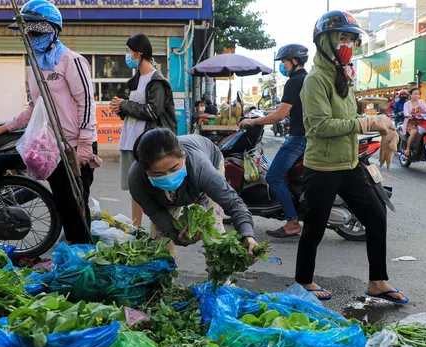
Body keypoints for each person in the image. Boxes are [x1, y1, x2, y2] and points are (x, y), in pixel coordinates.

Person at [296, 10, 407, 303]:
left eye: (351, 39)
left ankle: (377, 281)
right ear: (325, 41)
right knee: (316, 226)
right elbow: (320, 126)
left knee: (376, 215)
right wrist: (366, 123)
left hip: (348, 162)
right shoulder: (315, 79)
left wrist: (384, 125)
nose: (348, 44)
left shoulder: (342, 74)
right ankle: (304, 280)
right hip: (322, 166)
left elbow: (349, 117)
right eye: (341, 37)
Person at [0, 0, 100, 245]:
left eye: (36, 31)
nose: (31, 36)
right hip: (51, 148)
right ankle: (74, 251)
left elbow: (86, 102)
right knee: (64, 204)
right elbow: (34, 109)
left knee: (77, 205)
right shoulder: (33, 66)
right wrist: (5, 127)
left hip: (76, 147)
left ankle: (83, 254)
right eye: (27, 31)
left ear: (52, 30)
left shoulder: (71, 60)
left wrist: (86, 143)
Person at [128, 128, 260, 258]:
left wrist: (247, 235)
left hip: (209, 160)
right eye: (158, 174)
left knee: (214, 230)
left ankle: (221, 279)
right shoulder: (137, 180)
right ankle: (161, 276)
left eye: (174, 168)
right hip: (165, 190)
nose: (169, 176)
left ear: (183, 157)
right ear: (144, 170)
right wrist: (176, 235)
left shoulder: (201, 167)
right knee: (159, 238)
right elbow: (156, 213)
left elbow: (232, 202)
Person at [239, 44, 309, 238]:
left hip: (298, 138)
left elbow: (280, 115)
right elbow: (292, 110)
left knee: (273, 177)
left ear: (294, 61)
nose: (283, 66)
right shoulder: (308, 79)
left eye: (285, 62)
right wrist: (265, 113)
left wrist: (253, 121)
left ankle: (292, 223)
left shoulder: (294, 81)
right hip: (310, 136)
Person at [110, 34, 177, 227]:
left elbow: (152, 111)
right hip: (132, 140)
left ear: (138, 54)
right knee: (136, 187)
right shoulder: (137, 80)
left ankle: (163, 228)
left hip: (149, 144)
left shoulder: (157, 81)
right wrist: (120, 108)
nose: (126, 55)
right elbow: (134, 111)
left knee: (156, 187)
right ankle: (136, 227)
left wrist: (125, 105)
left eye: (128, 51)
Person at [403, 87, 426, 157]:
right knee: (414, 132)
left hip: (422, 121)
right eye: (415, 94)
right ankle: (407, 149)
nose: (417, 95)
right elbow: (406, 113)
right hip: (411, 122)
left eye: (418, 94)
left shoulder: (421, 101)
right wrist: (410, 115)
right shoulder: (407, 104)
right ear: (410, 95)